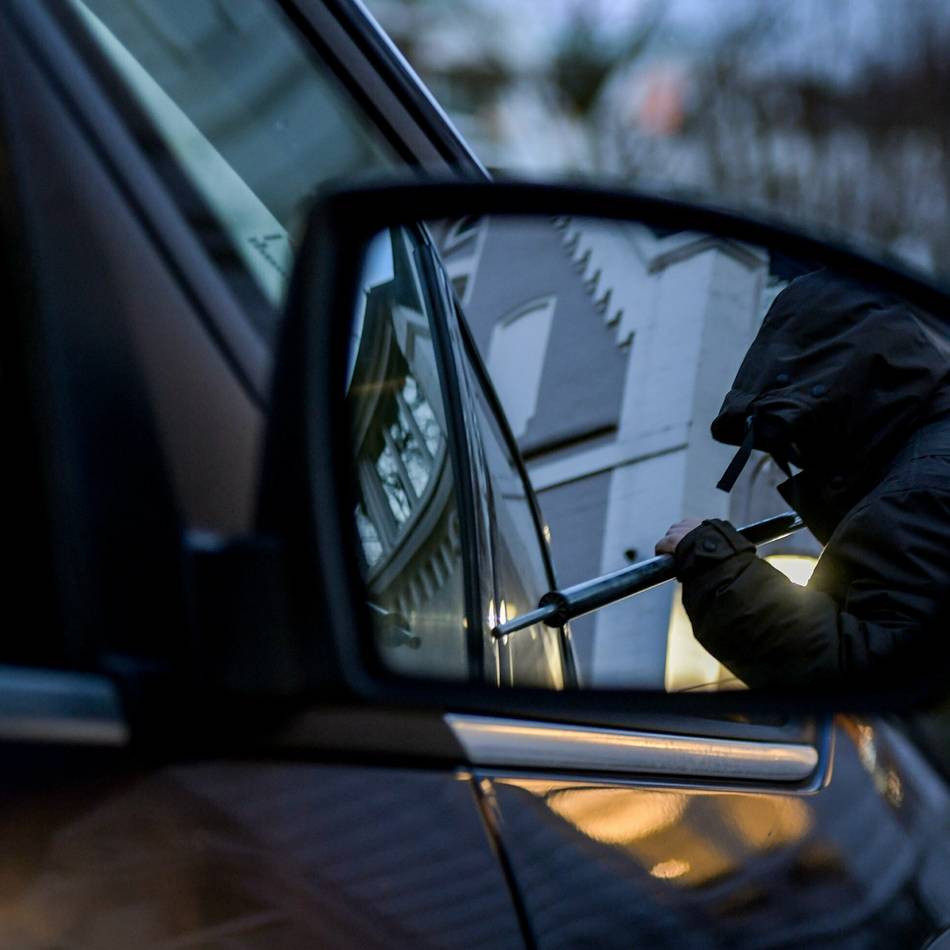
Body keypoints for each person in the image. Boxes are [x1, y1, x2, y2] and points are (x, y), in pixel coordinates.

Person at [655, 271, 950, 691]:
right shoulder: (926, 468)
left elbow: (874, 676)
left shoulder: (913, 496)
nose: (796, 457)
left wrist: (715, 565)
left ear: (833, 404)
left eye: (798, 434)